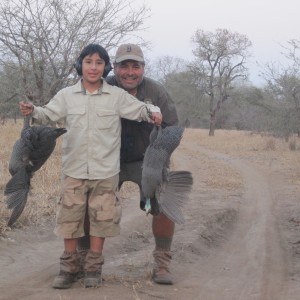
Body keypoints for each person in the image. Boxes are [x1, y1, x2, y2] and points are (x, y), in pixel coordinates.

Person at [19, 43, 162, 289]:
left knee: (102, 219)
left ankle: (93, 268)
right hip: (73, 169)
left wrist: (153, 112)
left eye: (98, 63)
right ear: (80, 65)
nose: (93, 67)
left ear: (106, 67)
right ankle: (68, 268)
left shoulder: (116, 96)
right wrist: (32, 110)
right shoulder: (66, 95)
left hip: (105, 172)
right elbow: (46, 114)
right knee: (69, 219)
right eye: (88, 62)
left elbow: (141, 110)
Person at [78, 43, 179, 285]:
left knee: (164, 203)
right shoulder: (103, 85)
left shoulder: (157, 91)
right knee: (86, 202)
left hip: (146, 160)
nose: (130, 72)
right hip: (106, 159)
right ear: (115, 68)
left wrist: (157, 160)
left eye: (136, 66)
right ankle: (85, 260)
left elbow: (173, 129)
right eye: (124, 66)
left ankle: (162, 263)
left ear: (143, 68)